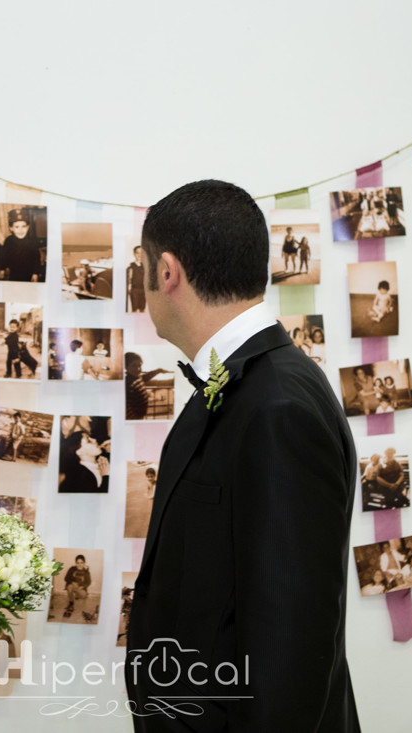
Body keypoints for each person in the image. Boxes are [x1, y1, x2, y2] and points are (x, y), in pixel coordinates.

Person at [125, 180, 359, 731]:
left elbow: (290, 644)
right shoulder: (241, 382)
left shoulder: (277, 406)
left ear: (167, 272)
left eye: (142, 266)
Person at [0, 208, 45, 282]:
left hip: (29, 273)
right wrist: (2, 269)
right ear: (11, 228)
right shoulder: (8, 241)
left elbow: (36, 259)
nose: (20, 230)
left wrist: (35, 273)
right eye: (17, 227)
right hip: (13, 273)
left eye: (23, 226)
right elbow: (4, 256)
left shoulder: (32, 241)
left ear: (28, 227)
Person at [123, 352, 170, 420]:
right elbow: (127, 405)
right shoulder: (128, 383)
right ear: (126, 367)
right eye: (134, 366)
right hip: (135, 417)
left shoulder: (137, 378)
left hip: (140, 415)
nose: (138, 369)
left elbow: (147, 376)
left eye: (139, 365)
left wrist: (158, 371)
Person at [62, 555, 93, 622]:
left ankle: (76, 595)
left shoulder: (86, 572)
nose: (79, 565)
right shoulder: (72, 569)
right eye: (78, 563)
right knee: (69, 587)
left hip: (80, 588)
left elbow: (88, 582)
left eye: (81, 563)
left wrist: (82, 586)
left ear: (84, 563)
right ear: (75, 563)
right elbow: (66, 578)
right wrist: (72, 582)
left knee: (83, 596)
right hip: (73, 586)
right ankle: (71, 602)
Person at [127, 246, 146, 312]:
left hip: (143, 290)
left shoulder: (145, 266)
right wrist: (129, 288)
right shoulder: (131, 266)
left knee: (142, 309)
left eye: (141, 253)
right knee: (134, 309)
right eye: (137, 253)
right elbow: (129, 278)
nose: (139, 255)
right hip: (134, 290)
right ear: (134, 254)